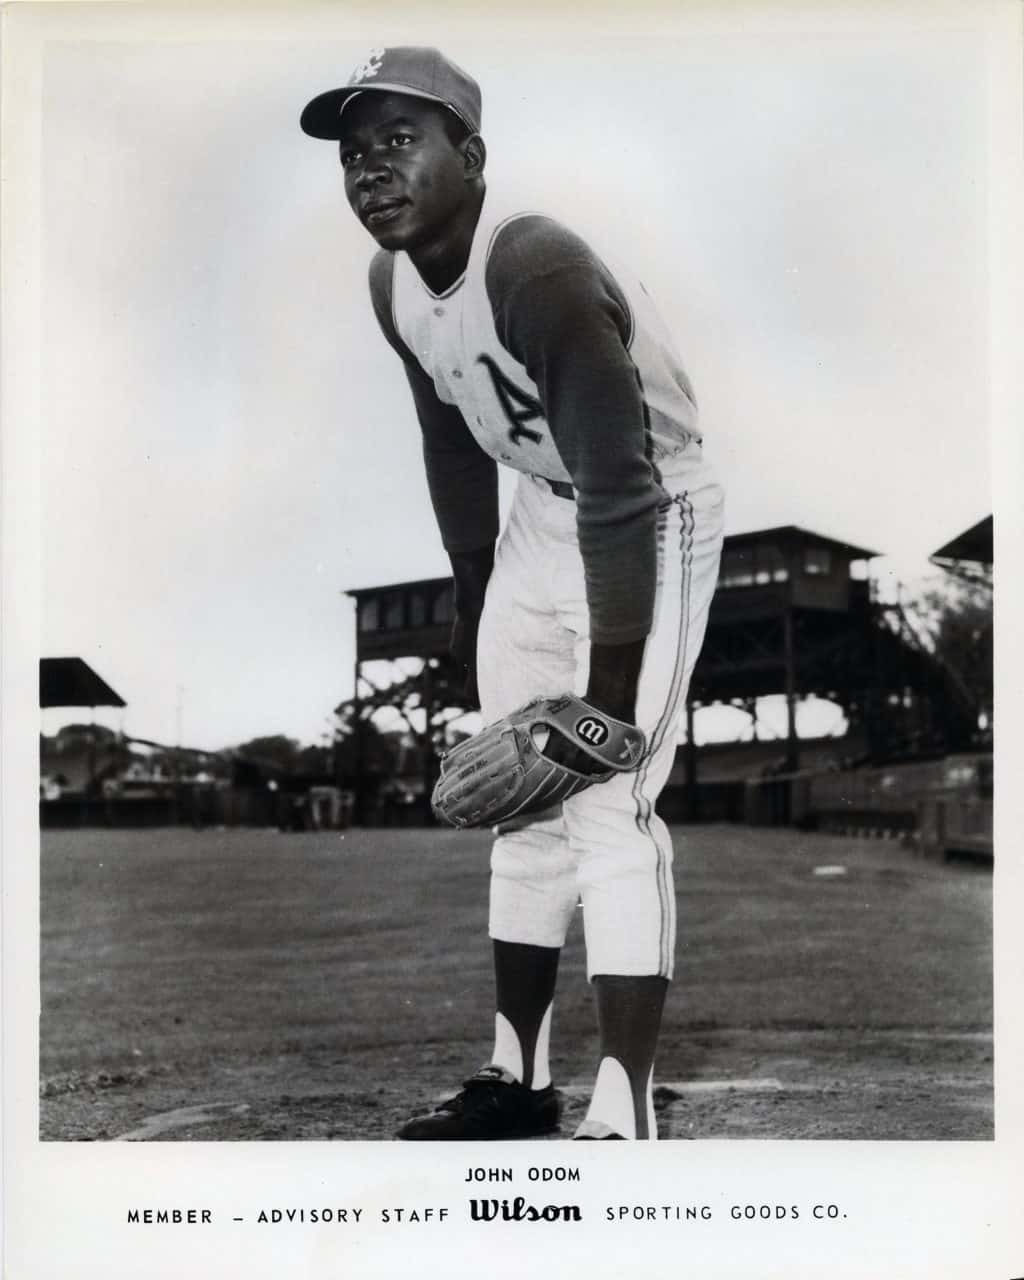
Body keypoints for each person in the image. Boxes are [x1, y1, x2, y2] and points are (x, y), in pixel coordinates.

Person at [301, 46, 724, 1140]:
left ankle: (623, 1102)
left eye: (401, 140)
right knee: (520, 810)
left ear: (471, 156)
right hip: (541, 512)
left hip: (649, 505)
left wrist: (610, 704)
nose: (370, 171)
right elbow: (452, 438)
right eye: (354, 154)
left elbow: (621, 490)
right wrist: (472, 593)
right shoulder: (392, 282)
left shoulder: (531, 264)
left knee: (608, 798)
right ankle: (516, 1075)